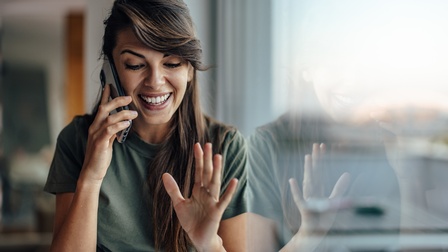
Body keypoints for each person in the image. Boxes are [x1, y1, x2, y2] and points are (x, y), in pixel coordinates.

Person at [44, 1, 247, 251]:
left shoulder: (225, 147)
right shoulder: (77, 140)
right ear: (111, 71)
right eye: (135, 65)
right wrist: (91, 178)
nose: (155, 81)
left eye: (172, 64)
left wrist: (210, 244)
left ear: (190, 71)